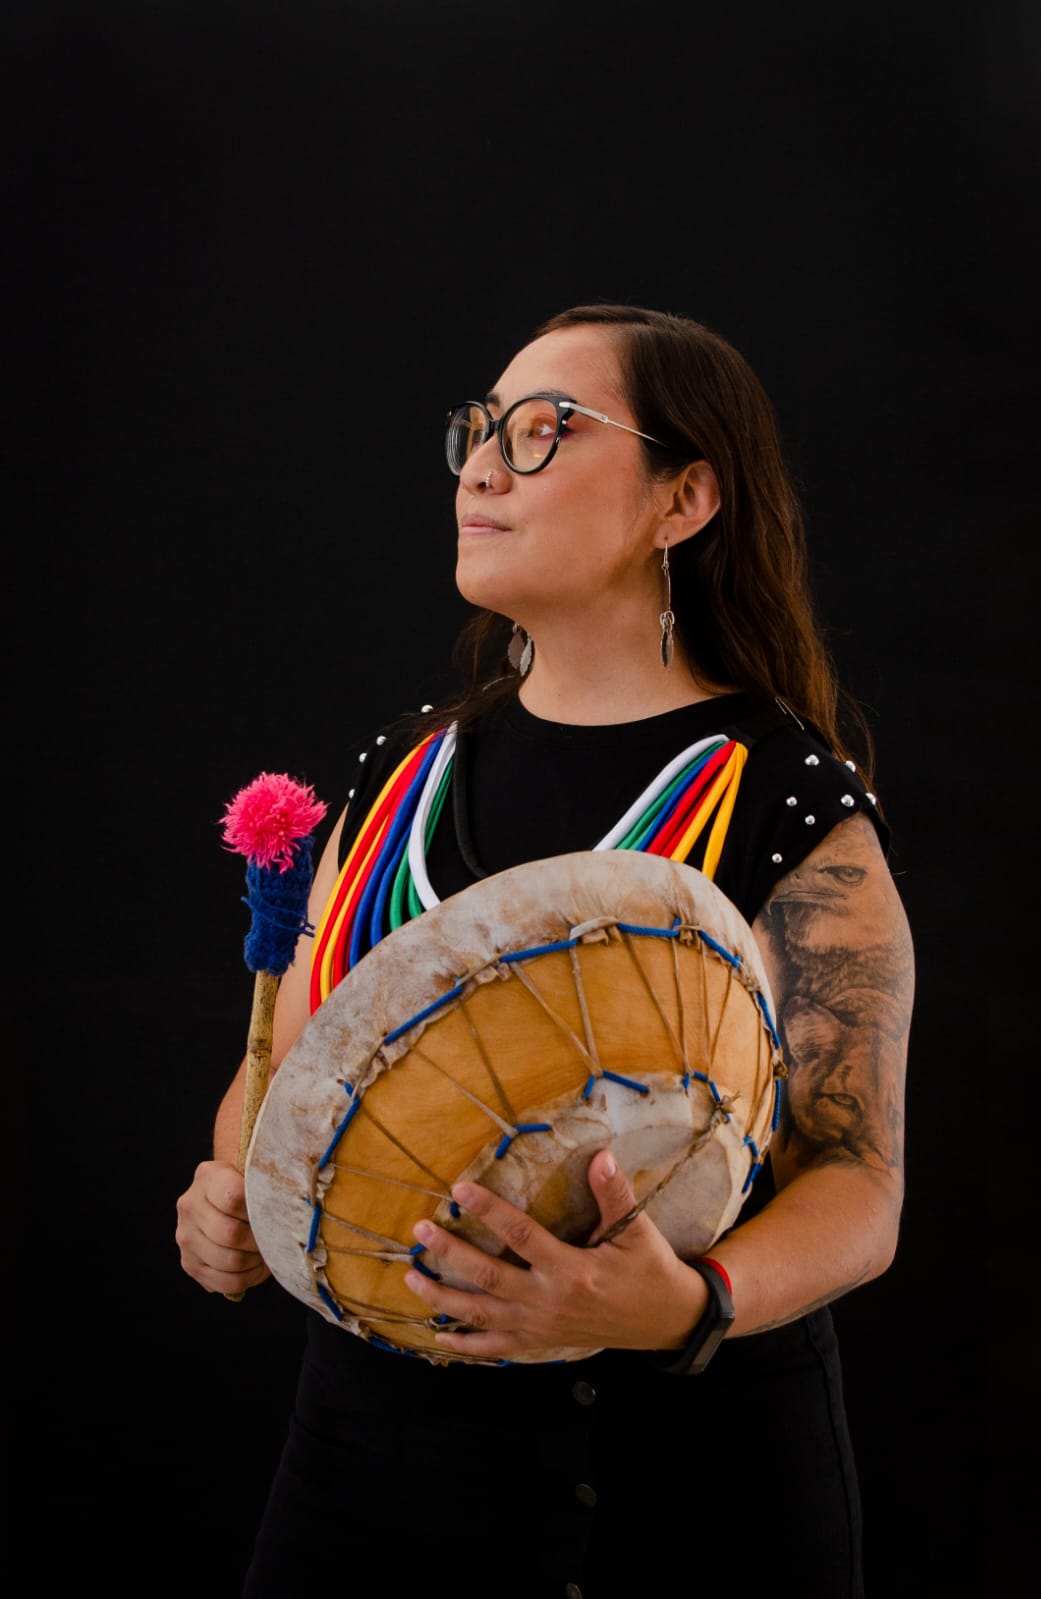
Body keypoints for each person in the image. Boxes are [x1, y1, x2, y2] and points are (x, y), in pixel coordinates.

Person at [175, 303, 914, 1598]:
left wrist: (692, 1307)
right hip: (374, 1465)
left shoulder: (783, 798)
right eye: (480, 432)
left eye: (543, 433)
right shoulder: (399, 770)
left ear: (684, 499)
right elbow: (284, 1071)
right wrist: (231, 1190)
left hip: (674, 1479)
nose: (480, 467)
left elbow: (859, 1185)